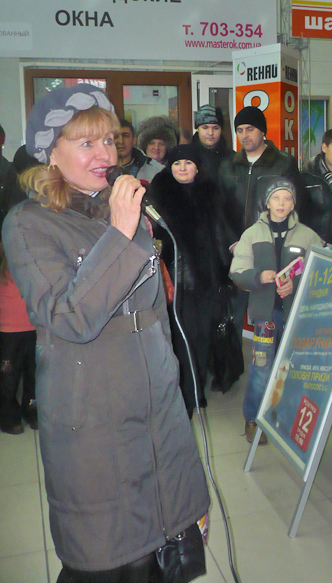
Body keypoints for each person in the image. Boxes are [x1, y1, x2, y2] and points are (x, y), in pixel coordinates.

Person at [2, 84, 209, 580]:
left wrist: (168, 368)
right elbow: (67, 317)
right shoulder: (29, 223)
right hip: (94, 409)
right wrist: (119, 232)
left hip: (156, 398)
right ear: (50, 153)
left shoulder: (122, 209)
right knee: (110, 551)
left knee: (168, 534)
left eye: (110, 140)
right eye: (86, 143)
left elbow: (153, 308)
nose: (107, 155)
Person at [150, 143, 241, 416]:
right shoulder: (159, 193)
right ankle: (184, 394)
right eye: (177, 164)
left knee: (202, 336)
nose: (182, 168)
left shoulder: (212, 192)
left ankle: (195, 390)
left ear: (197, 167)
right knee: (181, 337)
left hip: (207, 277)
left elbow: (223, 232)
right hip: (174, 278)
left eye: (188, 163)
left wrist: (228, 268)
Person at [230, 179, 322, 444]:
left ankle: (286, 417)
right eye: (276, 198)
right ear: (267, 203)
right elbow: (237, 271)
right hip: (265, 315)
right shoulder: (252, 234)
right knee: (261, 367)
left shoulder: (308, 236)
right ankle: (254, 418)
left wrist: (297, 283)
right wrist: (258, 277)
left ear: (293, 204)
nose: (282, 204)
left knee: (292, 367)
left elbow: (321, 270)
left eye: (287, 199)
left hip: (296, 315)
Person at [219, 106, 301, 339]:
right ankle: (234, 362)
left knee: (272, 319)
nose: (245, 135)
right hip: (236, 252)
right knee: (233, 318)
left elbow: (295, 209)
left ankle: (275, 360)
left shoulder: (283, 164)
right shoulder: (227, 165)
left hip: (271, 250)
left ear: (263, 131)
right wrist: (233, 243)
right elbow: (220, 210)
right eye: (240, 130)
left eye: (250, 129)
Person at [0, 241, 37, 435]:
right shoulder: (2, 267)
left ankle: (32, 410)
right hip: (8, 334)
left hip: (33, 329)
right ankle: (8, 416)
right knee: (8, 378)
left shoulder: (31, 264)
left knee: (34, 375)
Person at [191, 104, 234, 180]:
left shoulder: (232, 158)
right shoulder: (187, 157)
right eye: (205, 128)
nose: (210, 133)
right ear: (197, 129)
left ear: (221, 129)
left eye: (215, 128)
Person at [115, 118, 164, 182]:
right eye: (116, 136)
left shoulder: (156, 171)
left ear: (134, 139)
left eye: (125, 135)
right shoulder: (102, 170)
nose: (121, 141)